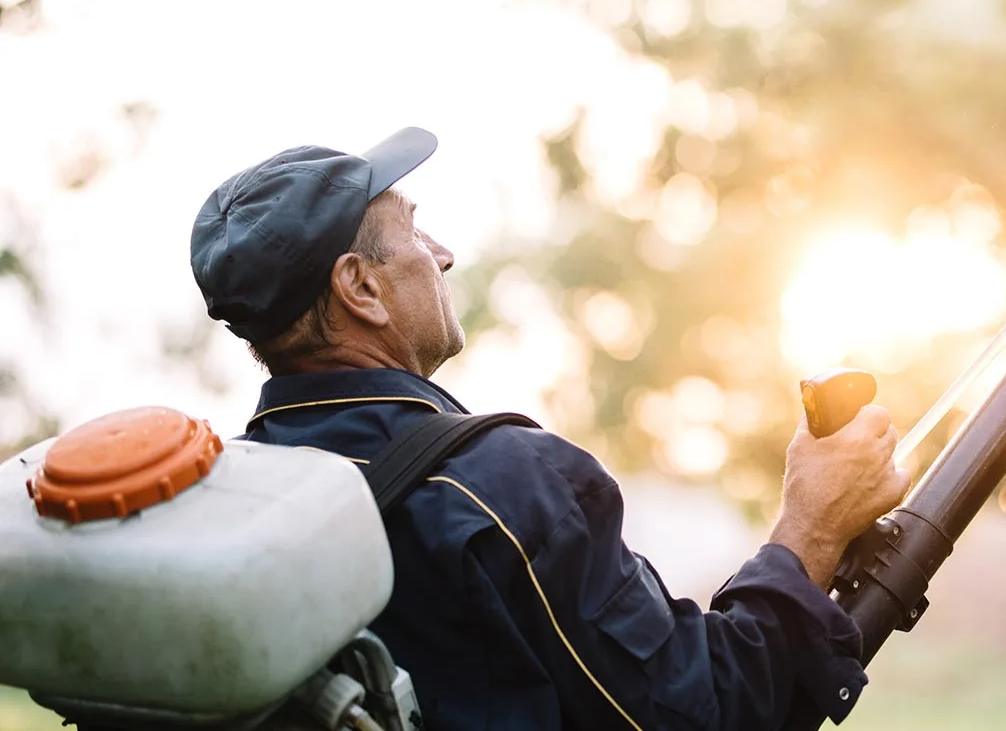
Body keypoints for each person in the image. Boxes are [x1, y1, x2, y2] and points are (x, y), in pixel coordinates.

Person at [189, 127, 908, 730]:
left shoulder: (228, 507)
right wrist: (812, 526)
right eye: (412, 228)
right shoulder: (501, 487)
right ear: (361, 288)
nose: (441, 254)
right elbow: (706, 711)